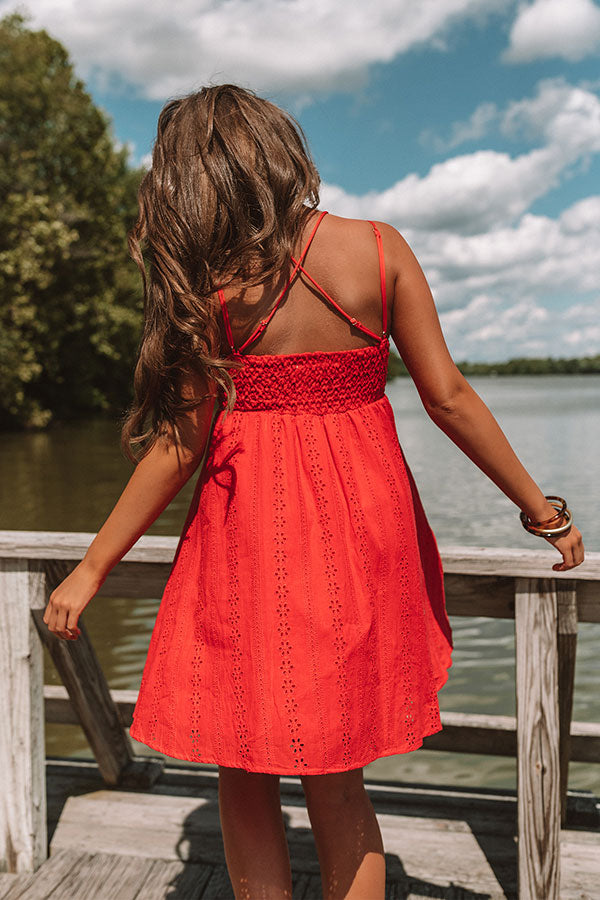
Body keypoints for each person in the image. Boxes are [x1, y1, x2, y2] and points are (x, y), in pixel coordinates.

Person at [43, 84, 585, 899]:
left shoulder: (212, 286)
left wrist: (90, 568)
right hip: (360, 536)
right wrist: (540, 509)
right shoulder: (378, 248)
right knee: (339, 774)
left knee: (242, 762)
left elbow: (180, 445)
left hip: (245, 536)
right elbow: (448, 399)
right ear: (279, 152)